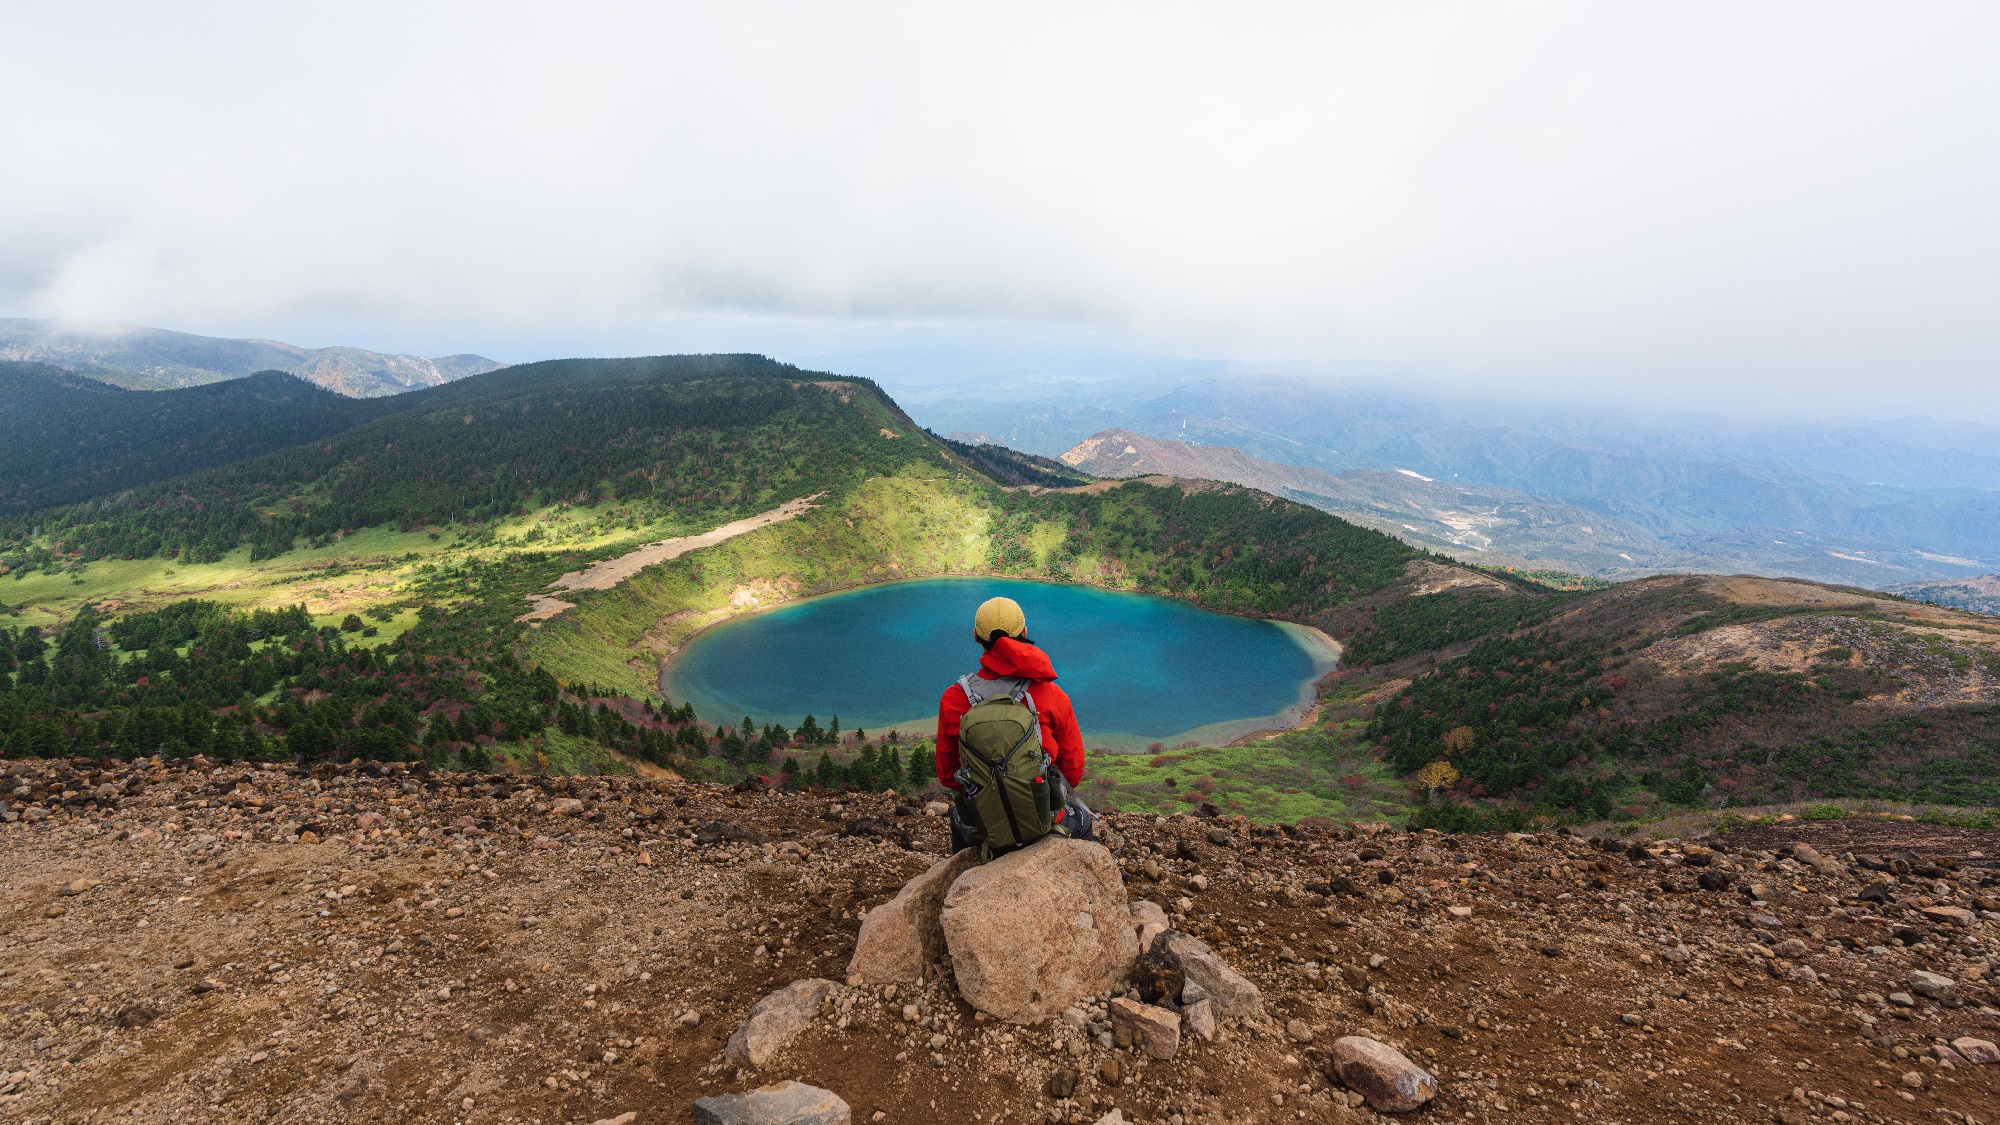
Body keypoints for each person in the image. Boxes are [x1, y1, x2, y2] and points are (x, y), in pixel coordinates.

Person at [935, 595, 1094, 854]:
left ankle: (967, 879)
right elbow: (1072, 772)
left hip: (983, 825)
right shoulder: (1051, 694)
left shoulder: (955, 697)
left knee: (958, 820)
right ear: (1025, 632)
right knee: (1083, 824)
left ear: (976, 636)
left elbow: (948, 774)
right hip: (1044, 820)